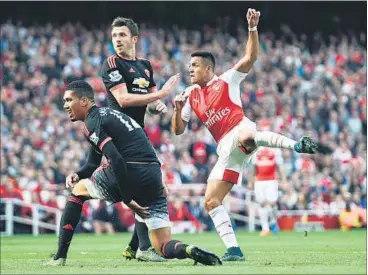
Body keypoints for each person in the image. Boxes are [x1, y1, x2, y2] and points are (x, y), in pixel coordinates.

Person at [171, 8, 318, 261]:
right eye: (189, 66)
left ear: (208, 68)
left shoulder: (227, 80)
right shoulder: (190, 95)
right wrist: (175, 110)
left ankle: (297, 145)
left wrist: (252, 28)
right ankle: (234, 250)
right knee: (211, 201)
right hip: (225, 151)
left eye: (194, 65)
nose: (190, 69)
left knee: (247, 135)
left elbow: (250, 57)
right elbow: (177, 131)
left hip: (239, 130)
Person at [43, 80, 222, 266]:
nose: (65, 105)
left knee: (78, 192)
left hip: (129, 167)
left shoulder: (92, 121)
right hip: (153, 174)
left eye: (69, 100)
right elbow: (92, 162)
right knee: (163, 245)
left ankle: (59, 257)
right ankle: (186, 249)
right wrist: (78, 174)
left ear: (84, 101)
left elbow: (117, 159)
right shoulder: (112, 116)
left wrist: (128, 199)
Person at [99, 17, 179, 261]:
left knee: (151, 187)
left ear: (134, 39)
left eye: (122, 35)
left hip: (138, 135)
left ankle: (136, 247)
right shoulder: (111, 63)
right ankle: (144, 248)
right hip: (119, 133)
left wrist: (161, 105)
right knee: (147, 186)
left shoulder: (145, 65)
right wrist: (162, 93)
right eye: (115, 36)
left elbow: (150, 101)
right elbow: (123, 100)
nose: (118, 40)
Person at [251, 146, 286, 236]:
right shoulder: (256, 150)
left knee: (272, 203)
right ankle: (265, 228)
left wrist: (284, 180)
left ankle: (273, 221)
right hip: (259, 181)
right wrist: (251, 181)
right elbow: (254, 167)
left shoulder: (275, 150)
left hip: (271, 180)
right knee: (261, 203)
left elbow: (280, 166)